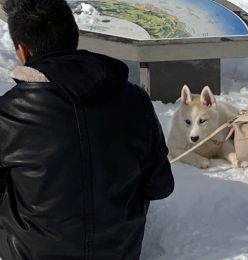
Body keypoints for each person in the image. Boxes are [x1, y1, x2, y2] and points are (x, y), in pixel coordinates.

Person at [0, 0, 174, 259]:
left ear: (21, 50)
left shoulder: (7, 113)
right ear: (76, 35)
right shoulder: (134, 99)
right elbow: (160, 186)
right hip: (120, 251)